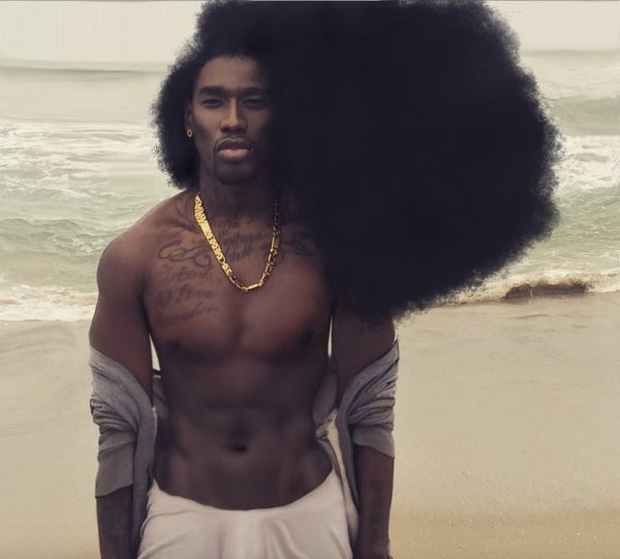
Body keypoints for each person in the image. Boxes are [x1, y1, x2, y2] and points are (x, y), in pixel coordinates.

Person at [90, 2, 560, 558]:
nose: (234, 119)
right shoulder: (135, 258)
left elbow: (370, 412)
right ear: (188, 118)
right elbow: (118, 429)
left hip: (308, 515)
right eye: (214, 101)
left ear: (284, 114)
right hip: (182, 519)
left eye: (255, 101)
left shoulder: (337, 246)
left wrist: (375, 544)